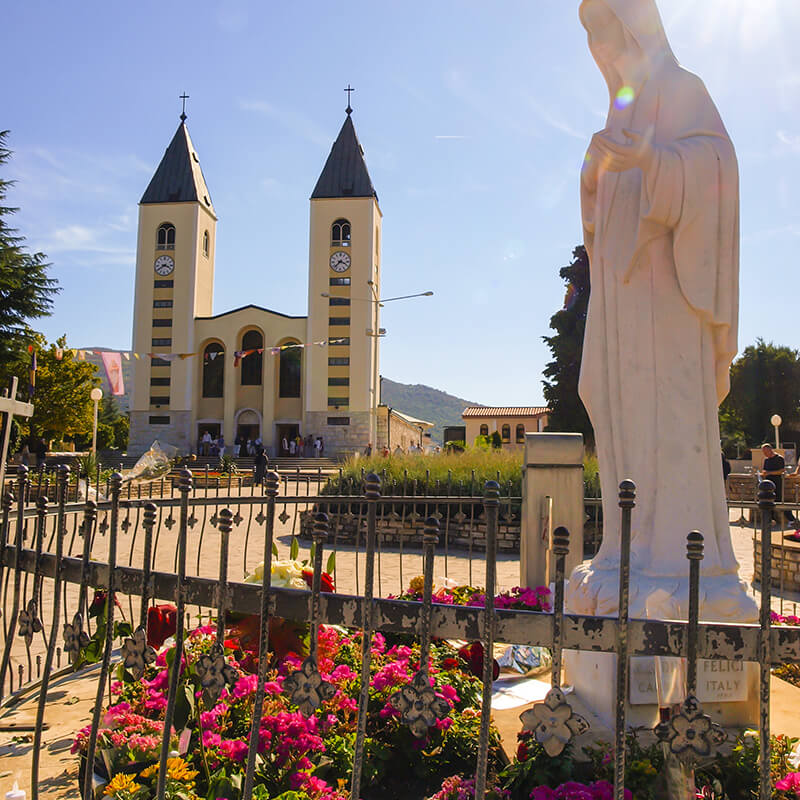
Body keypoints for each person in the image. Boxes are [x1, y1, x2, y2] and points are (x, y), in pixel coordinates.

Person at [572, 0, 744, 588]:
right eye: (600, 43)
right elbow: (597, 217)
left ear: (639, 32)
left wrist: (652, 159)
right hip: (619, 299)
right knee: (609, 399)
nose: (608, 53)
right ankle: (625, 547)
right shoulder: (621, 105)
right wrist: (592, 178)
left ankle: (675, 562)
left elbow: (719, 167)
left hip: (668, 300)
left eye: (615, 38)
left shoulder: (683, 88)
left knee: (661, 415)